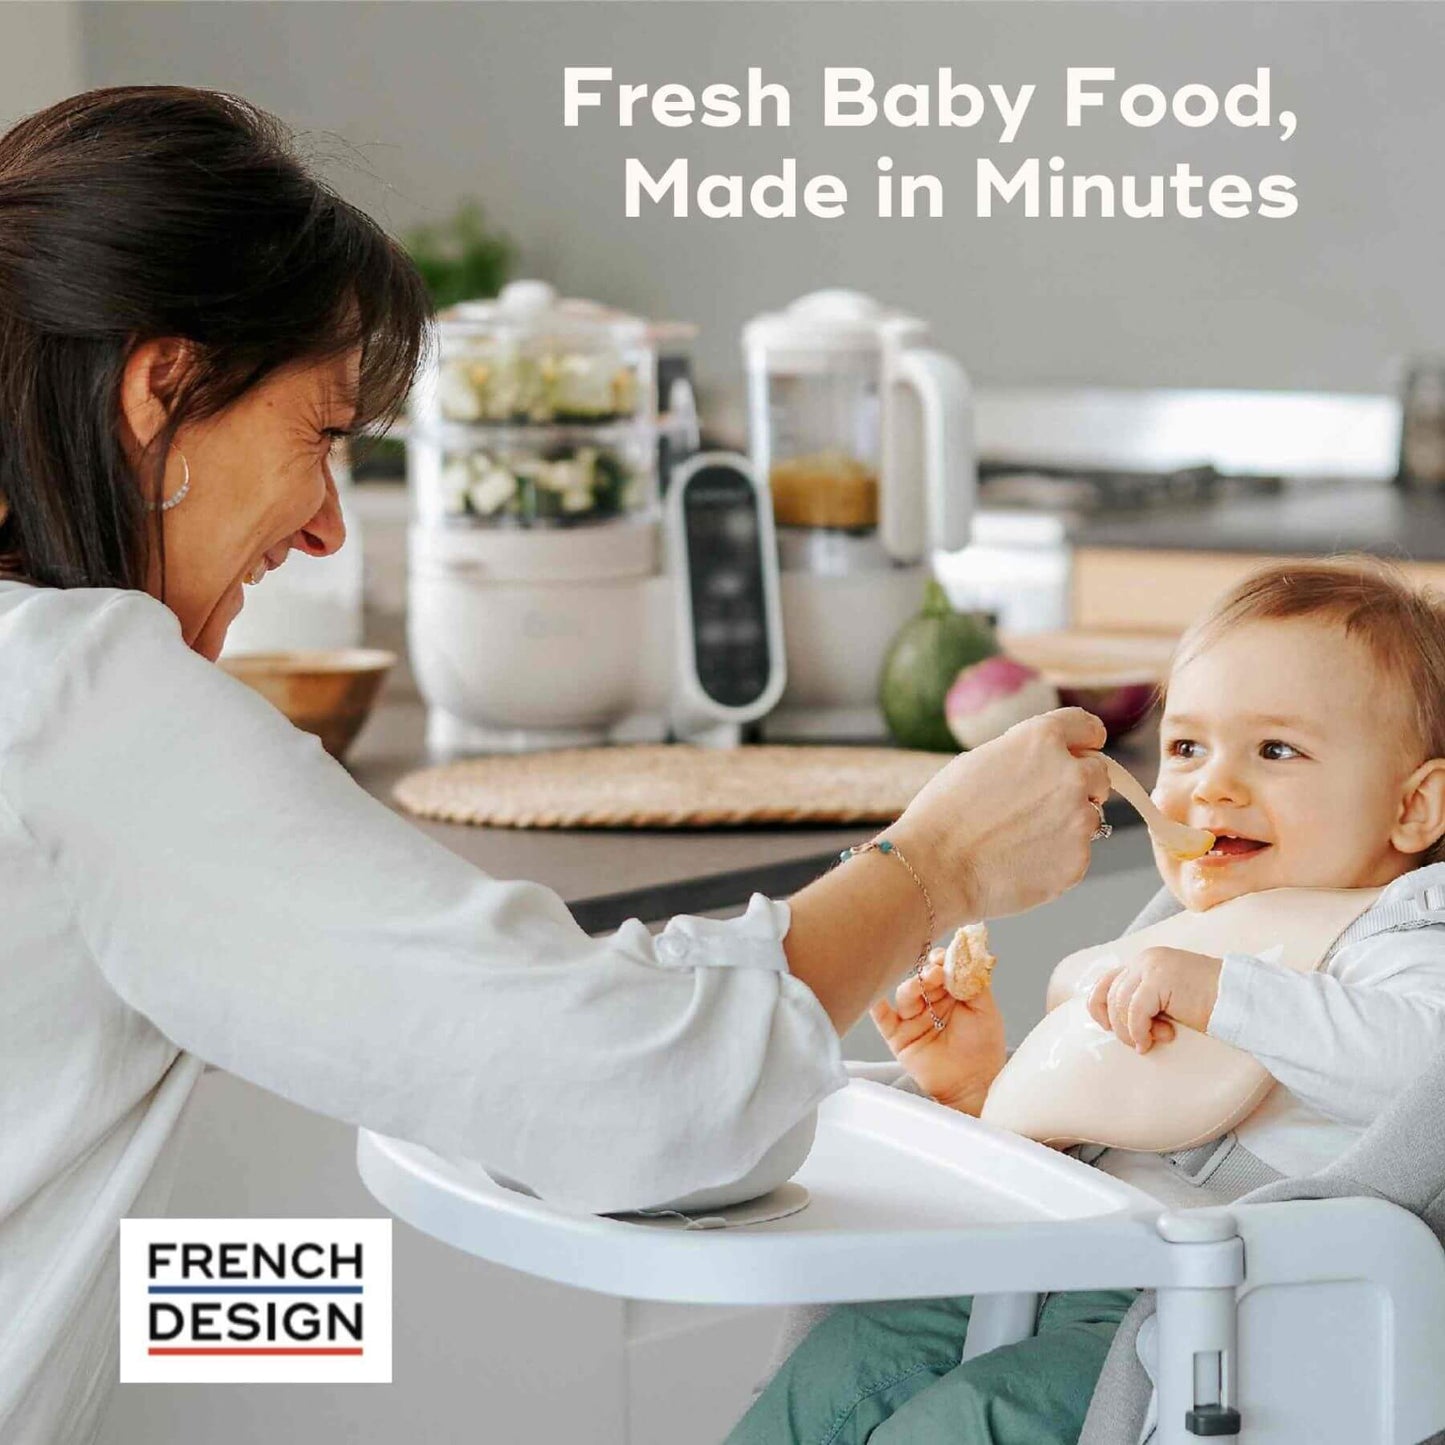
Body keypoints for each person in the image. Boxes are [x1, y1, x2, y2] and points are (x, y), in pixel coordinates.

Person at [0, 87, 1112, 1445]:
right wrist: (931, 869)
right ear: (162, 388)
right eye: (322, 434)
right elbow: (631, 1096)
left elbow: (521, 1015)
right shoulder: (81, 699)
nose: (329, 527)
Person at [732, 557, 1445, 1445]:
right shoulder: (1188, 927)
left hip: (1203, 1316)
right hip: (1050, 1252)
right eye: (1185, 747)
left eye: (1274, 750)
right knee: (841, 1363)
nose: (1211, 786)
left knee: (978, 1418)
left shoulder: (1405, 934)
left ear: (1414, 807)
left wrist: (1228, 994)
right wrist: (978, 1088)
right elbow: (1101, 1102)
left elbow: (1419, 1073)